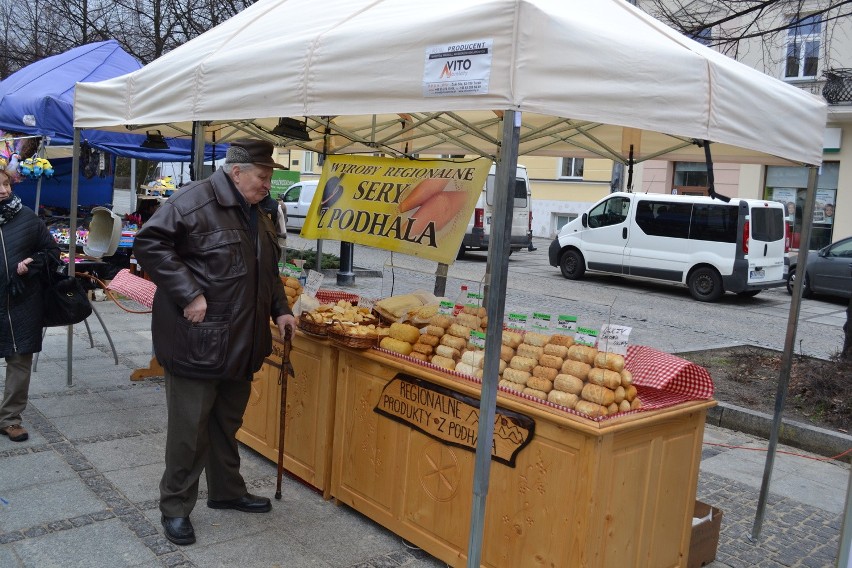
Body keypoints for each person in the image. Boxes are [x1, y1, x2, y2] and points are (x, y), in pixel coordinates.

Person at [133, 139, 297, 546]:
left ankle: (227, 492)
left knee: (227, 423)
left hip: (243, 341)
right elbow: (149, 243)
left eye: (269, 177)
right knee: (189, 432)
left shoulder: (257, 210)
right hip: (198, 341)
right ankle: (174, 507)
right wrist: (189, 293)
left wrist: (281, 309)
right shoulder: (193, 200)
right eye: (262, 177)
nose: (267, 185)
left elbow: (269, 270)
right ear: (236, 171)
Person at [0, 167, 61, 443]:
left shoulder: (27, 218)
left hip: (22, 300)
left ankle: (10, 419)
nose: (3, 190)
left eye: (5, 184)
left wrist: (31, 263)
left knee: (19, 359)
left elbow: (51, 252)